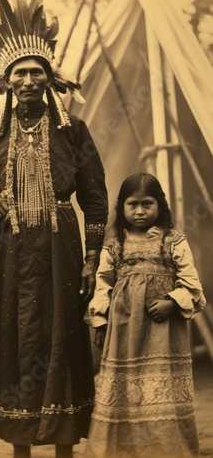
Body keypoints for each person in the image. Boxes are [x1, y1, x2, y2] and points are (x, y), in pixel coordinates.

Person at [0, 0, 108, 458]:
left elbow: (95, 196)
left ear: (50, 78)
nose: (27, 81)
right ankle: (20, 446)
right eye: (19, 74)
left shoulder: (74, 131)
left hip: (60, 248)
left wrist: (91, 260)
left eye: (36, 72)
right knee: (13, 336)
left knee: (62, 334)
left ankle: (65, 445)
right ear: (5, 81)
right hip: (5, 253)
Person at [84, 173, 206, 458]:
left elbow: (193, 286)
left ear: (159, 206)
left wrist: (172, 303)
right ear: (122, 208)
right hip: (124, 330)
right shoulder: (115, 245)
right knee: (125, 387)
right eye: (133, 204)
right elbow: (103, 285)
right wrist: (101, 323)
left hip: (163, 333)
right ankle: (120, 449)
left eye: (147, 204)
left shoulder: (173, 242)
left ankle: (165, 449)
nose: (139, 211)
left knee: (160, 388)